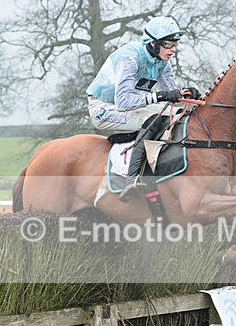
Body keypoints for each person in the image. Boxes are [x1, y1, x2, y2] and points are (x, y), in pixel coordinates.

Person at [86, 16, 200, 202]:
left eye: (175, 44)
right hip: (104, 108)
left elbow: (171, 96)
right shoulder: (130, 58)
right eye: (168, 44)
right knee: (152, 120)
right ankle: (131, 180)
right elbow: (123, 102)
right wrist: (161, 96)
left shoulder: (162, 60)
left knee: (179, 114)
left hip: (131, 106)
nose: (173, 49)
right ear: (153, 44)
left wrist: (186, 95)